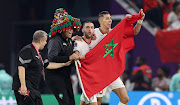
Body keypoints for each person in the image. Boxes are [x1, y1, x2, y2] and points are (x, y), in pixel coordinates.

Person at [73, 9, 144, 105]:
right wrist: (74, 38)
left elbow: (134, 32)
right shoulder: (94, 33)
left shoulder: (114, 33)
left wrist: (139, 20)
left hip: (111, 72)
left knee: (125, 99)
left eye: (110, 18)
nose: (110, 20)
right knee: (97, 102)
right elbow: (83, 40)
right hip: (98, 74)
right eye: (107, 18)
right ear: (100, 21)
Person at [12, 30, 71, 105]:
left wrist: (63, 64)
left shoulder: (40, 54)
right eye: (45, 41)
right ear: (41, 41)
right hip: (25, 87)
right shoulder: (27, 50)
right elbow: (21, 68)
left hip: (33, 87)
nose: (46, 43)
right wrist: (23, 85)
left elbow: (48, 65)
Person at [45, 8, 81, 105]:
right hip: (55, 77)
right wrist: (69, 58)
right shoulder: (55, 40)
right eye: (68, 28)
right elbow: (51, 58)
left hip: (65, 76)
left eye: (72, 28)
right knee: (65, 103)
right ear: (62, 28)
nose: (71, 30)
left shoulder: (68, 40)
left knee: (71, 102)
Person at [74, 21, 98, 105]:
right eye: (87, 27)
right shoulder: (78, 42)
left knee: (85, 100)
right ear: (83, 30)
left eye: (92, 27)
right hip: (85, 77)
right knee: (94, 101)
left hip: (96, 76)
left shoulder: (96, 41)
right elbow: (75, 56)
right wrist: (85, 56)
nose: (90, 29)